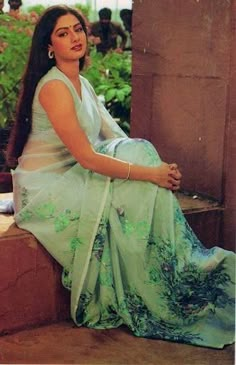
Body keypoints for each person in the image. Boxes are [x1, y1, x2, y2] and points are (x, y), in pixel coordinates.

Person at [6, 5, 235, 348]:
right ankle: (168, 276)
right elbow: (87, 157)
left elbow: (118, 141)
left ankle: (169, 273)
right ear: (49, 47)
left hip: (74, 175)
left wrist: (158, 170)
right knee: (137, 172)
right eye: (63, 33)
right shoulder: (54, 87)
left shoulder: (80, 82)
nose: (74, 37)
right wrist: (151, 174)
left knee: (137, 150)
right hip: (46, 190)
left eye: (77, 29)